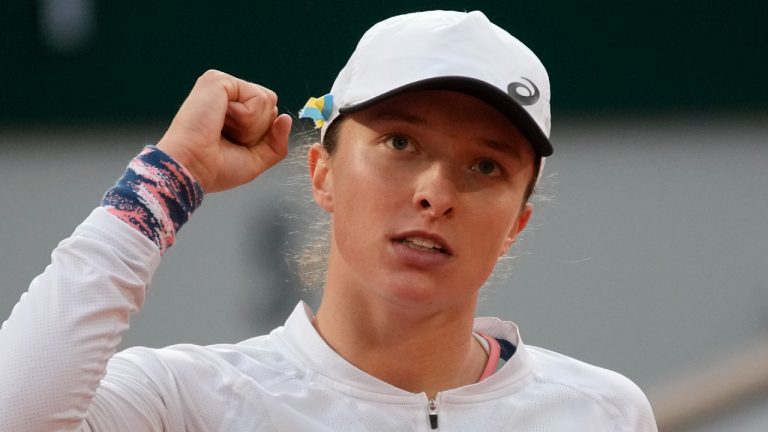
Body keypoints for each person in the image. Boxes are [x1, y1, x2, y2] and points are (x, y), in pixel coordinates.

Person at [0, 10, 657, 431]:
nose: (436, 193)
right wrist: (167, 179)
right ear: (322, 173)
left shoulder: (602, 412)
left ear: (516, 222)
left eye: (486, 167)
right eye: (401, 143)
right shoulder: (189, 400)